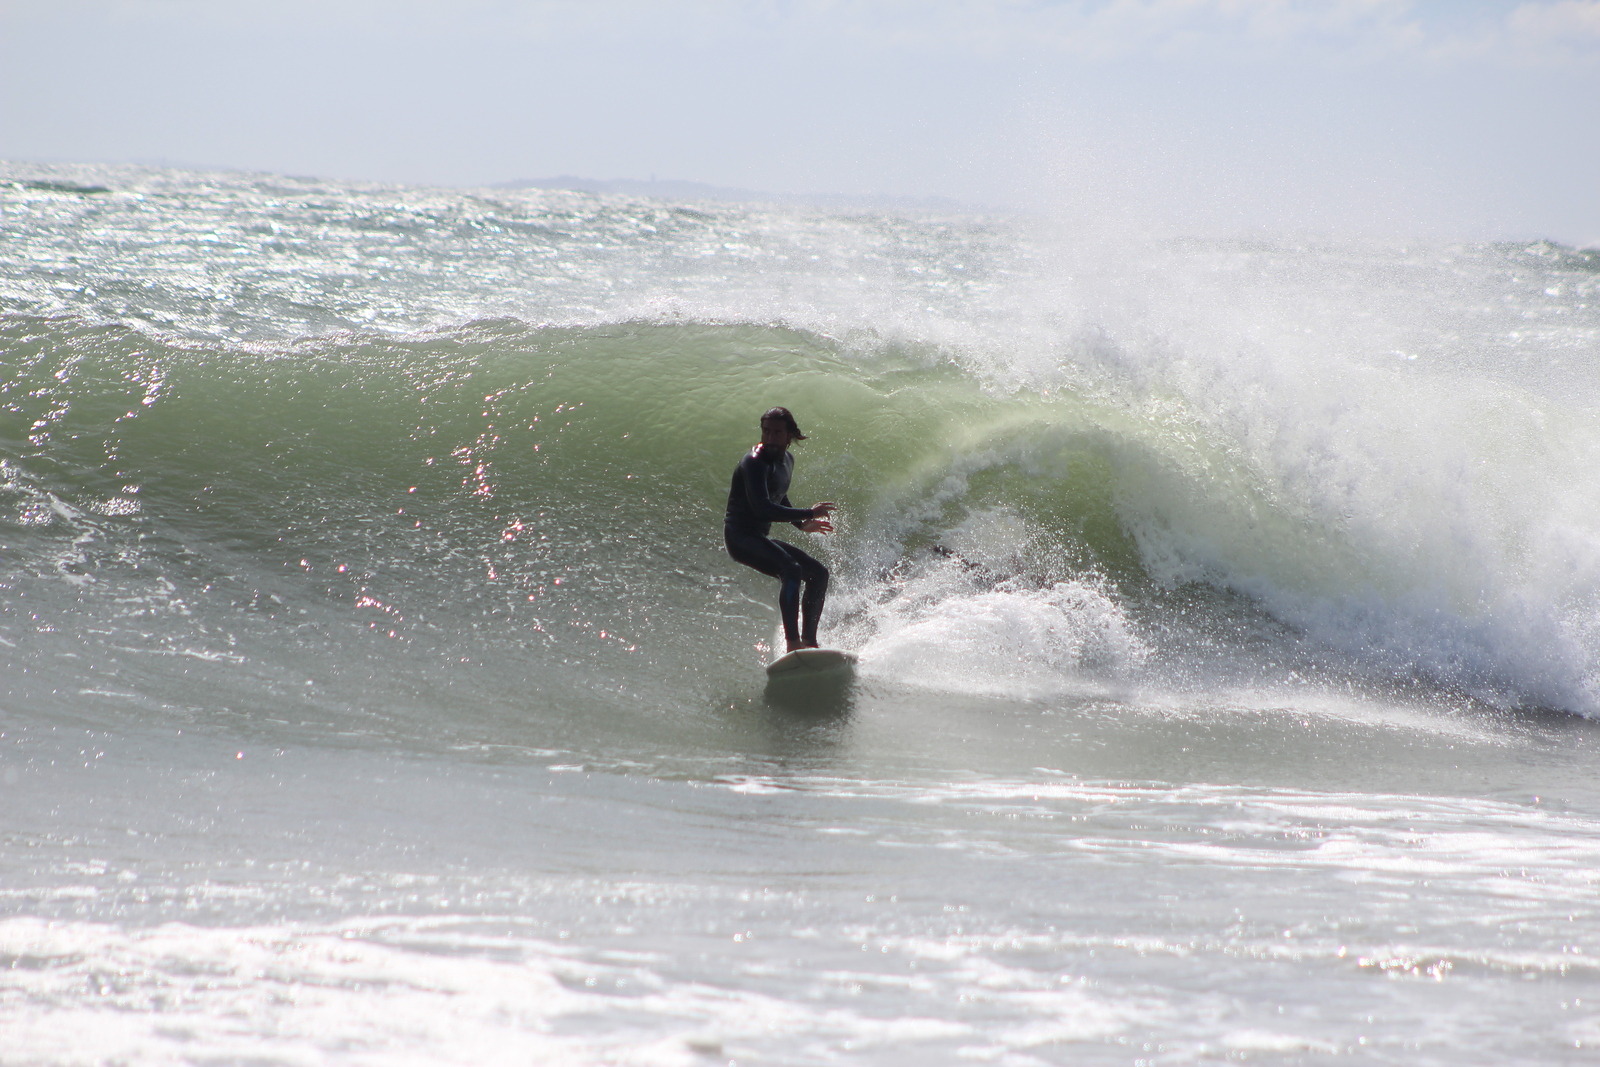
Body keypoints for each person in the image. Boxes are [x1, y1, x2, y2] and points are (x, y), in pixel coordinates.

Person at [724, 407, 837, 653]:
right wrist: (809, 513)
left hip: (758, 536)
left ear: (789, 436)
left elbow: (779, 494)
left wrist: (801, 524)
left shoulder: (787, 460)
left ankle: (810, 642)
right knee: (791, 570)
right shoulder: (753, 463)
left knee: (818, 574)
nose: (771, 438)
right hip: (739, 537)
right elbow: (764, 508)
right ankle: (793, 645)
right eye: (766, 432)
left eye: (777, 433)